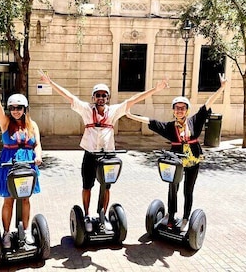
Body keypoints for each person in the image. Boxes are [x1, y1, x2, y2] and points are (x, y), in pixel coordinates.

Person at [39, 69, 168, 232]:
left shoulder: (113, 111)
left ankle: (103, 216)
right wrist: (51, 83)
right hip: (90, 154)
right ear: (93, 98)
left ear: (108, 98)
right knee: (87, 186)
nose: (101, 98)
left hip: (108, 156)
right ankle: (86, 215)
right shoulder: (86, 109)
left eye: (104, 95)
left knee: (106, 187)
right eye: (98, 95)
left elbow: (133, 99)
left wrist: (155, 90)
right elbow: (69, 97)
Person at [126, 73, 227, 231]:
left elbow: (208, 103)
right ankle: (170, 214)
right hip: (176, 162)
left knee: (188, 190)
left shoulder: (195, 121)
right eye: (177, 108)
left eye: (183, 108)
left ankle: (186, 218)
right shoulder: (169, 127)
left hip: (193, 161)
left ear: (187, 110)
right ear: (173, 110)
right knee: (173, 187)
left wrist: (221, 88)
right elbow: (151, 122)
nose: (180, 110)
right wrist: (130, 115)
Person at [0, 68, 43, 249]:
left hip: (28, 166)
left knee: (25, 199)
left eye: (19, 108)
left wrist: (39, 156)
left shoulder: (32, 125)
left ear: (25, 108)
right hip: (8, 165)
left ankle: (25, 232)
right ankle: (6, 233)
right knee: (8, 199)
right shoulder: (5, 123)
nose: (16, 111)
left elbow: (37, 145)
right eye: (13, 108)